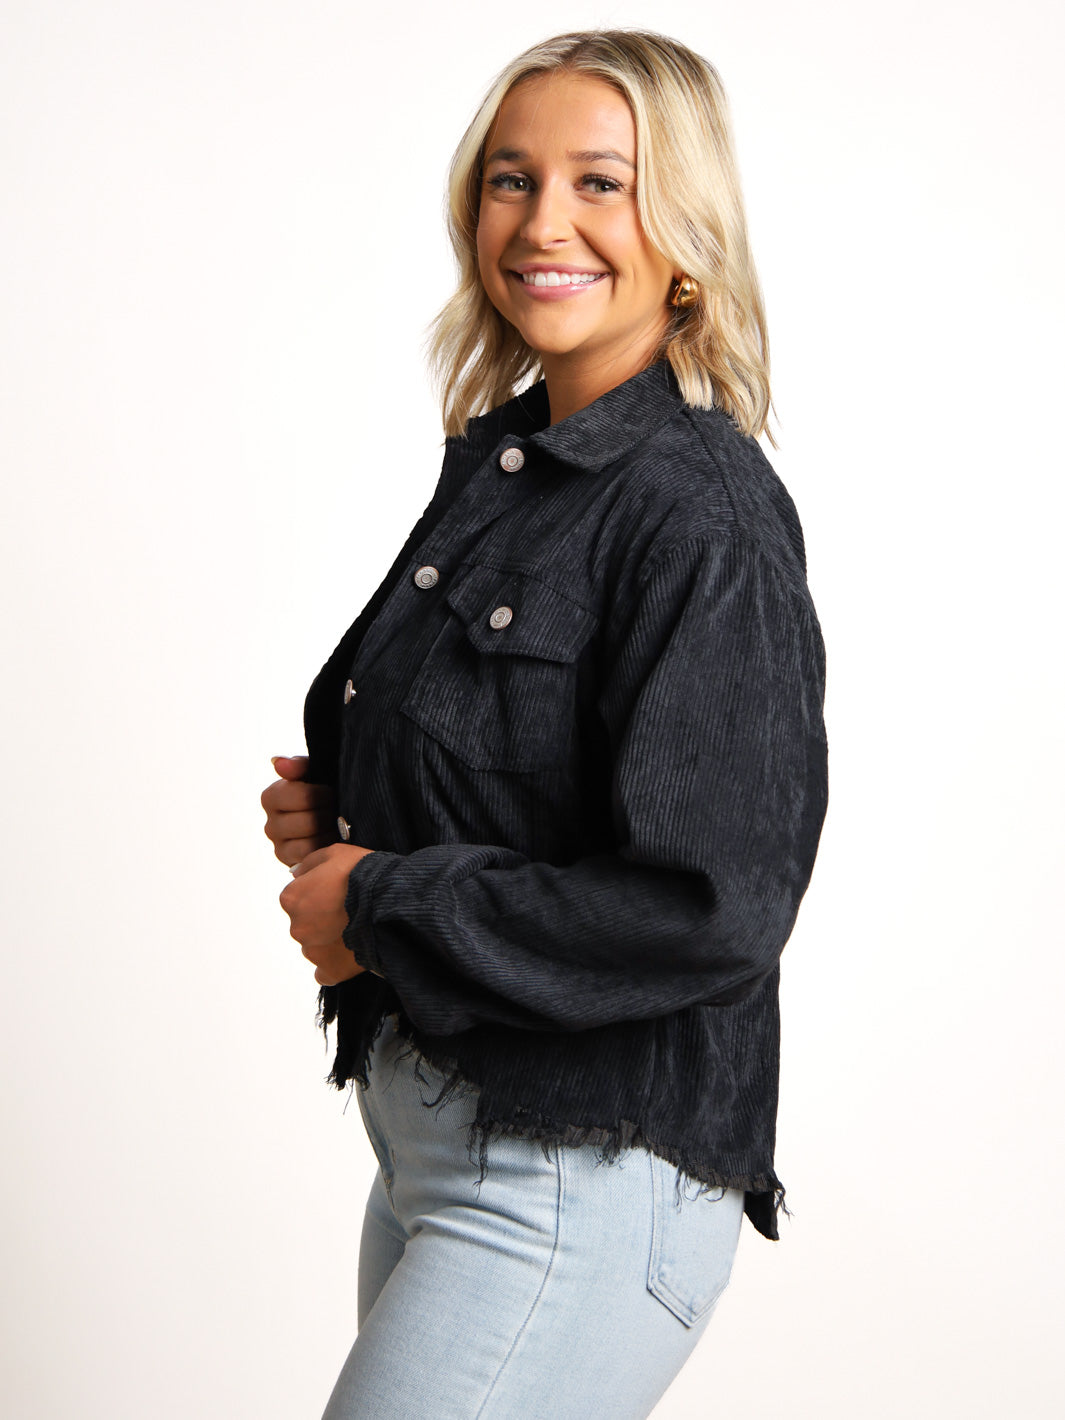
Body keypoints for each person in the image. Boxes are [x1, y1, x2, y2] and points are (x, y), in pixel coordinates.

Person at [262, 28, 828, 1419]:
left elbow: (709, 905)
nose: (542, 224)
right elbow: (536, 768)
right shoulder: (512, 466)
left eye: (601, 183)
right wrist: (358, 802)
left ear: (685, 230)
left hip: (575, 1177)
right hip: (440, 1141)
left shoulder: (697, 510)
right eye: (510, 180)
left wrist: (382, 901)